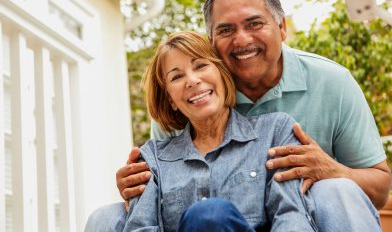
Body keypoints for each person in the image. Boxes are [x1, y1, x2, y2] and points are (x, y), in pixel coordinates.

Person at [118, 0, 392, 208]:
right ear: (211, 41)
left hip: (307, 218)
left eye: (255, 23)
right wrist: (138, 186)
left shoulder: (333, 82)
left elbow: (380, 189)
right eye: (226, 30)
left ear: (281, 26)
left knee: (337, 189)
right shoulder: (194, 98)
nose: (242, 39)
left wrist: (332, 171)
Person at [89, 31, 320, 231]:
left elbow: (293, 217)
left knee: (210, 215)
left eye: (201, 66)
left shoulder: (276, 132)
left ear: (221, 73)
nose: (192, 80)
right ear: (171, 98)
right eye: (177, 76)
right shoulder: (152, 159)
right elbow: (140, 228)